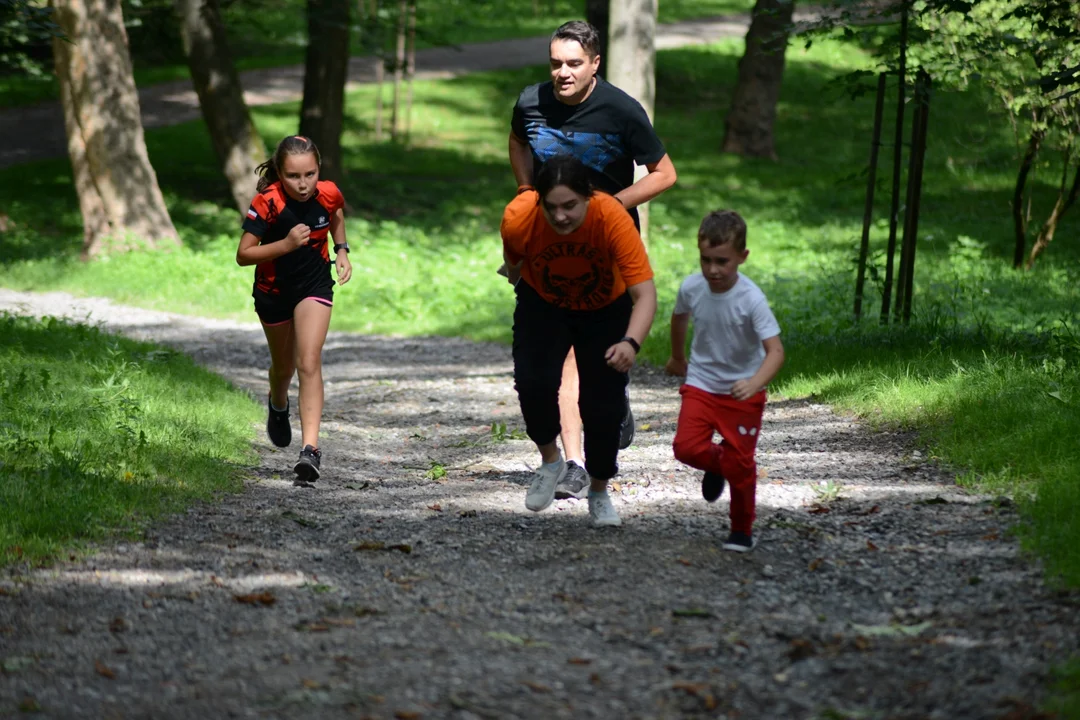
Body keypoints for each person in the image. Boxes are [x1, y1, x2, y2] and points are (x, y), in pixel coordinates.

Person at [508, 19, 677, 500]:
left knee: (590, 364)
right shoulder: (529, 103)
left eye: (573, 64)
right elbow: (519, 141)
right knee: (559, 361)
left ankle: (609, 406)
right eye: (555, 63)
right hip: (550, 245)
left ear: (595, 64)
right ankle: (575, 463)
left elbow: (665, 174)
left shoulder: (622, 110)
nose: (562, 73)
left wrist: (609, 207)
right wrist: (525, 190)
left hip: (607, 251)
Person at [501, 155, 657, 527]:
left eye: (570, 205)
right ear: (538, 200)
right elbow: (515, 268)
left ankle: (599, 491)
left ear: (589, 196)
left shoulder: (612, 218)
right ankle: (551, 462)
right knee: (533, 383)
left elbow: (645, 295)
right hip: (545, 303)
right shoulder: (519, 219)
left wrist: (630, 344)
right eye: (551, 207)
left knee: (602, 406)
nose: (560, 216)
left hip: (605, 308)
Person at [235, 135, 352, 485]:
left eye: (310, 174)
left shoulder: (328, 192)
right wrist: (285, 244)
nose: (303, 184)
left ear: (319, 170)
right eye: (293, 176)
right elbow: (243, 255)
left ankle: (310, 450)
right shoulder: (267, 202)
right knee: (283, 367)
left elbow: (336, 215)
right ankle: (277, 400)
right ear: (280, 174)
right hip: (273, 291)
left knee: (308, 360)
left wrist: (342, 249)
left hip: (314, 286)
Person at [665, 210, 784, 552]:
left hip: (742, 392)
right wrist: (677, 357)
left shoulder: (752, 300)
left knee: (742, 464)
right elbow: (679, 318)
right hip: (702, 384)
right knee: (685, 448)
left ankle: (741, 530)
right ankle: (719, 465)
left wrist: (754, 382)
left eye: (722, 261)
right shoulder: (692, 287)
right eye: (706, 260)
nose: (713, 270)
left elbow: (775, 351)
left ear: (742, 257)